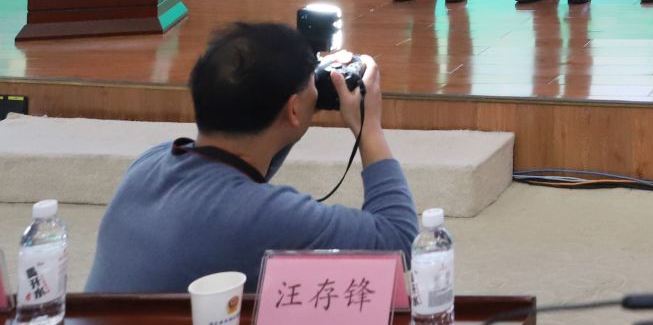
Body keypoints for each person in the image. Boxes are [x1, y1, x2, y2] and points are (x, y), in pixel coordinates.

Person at [85, 22, 416, 292]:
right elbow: (399, 241)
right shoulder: (269, 217)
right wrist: (369, 128)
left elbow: (243, 164)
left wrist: (300, 97)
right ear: (293, 110)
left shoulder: (148, 165)